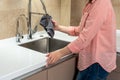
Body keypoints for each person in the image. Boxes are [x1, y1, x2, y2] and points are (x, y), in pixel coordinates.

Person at [46, 0, 116, 80]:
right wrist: (58, 27)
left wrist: (60, 53)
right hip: (94, 63)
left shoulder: (101, 3)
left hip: (95, 64)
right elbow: (81, 30)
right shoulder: (91, 4)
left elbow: (84, 38)